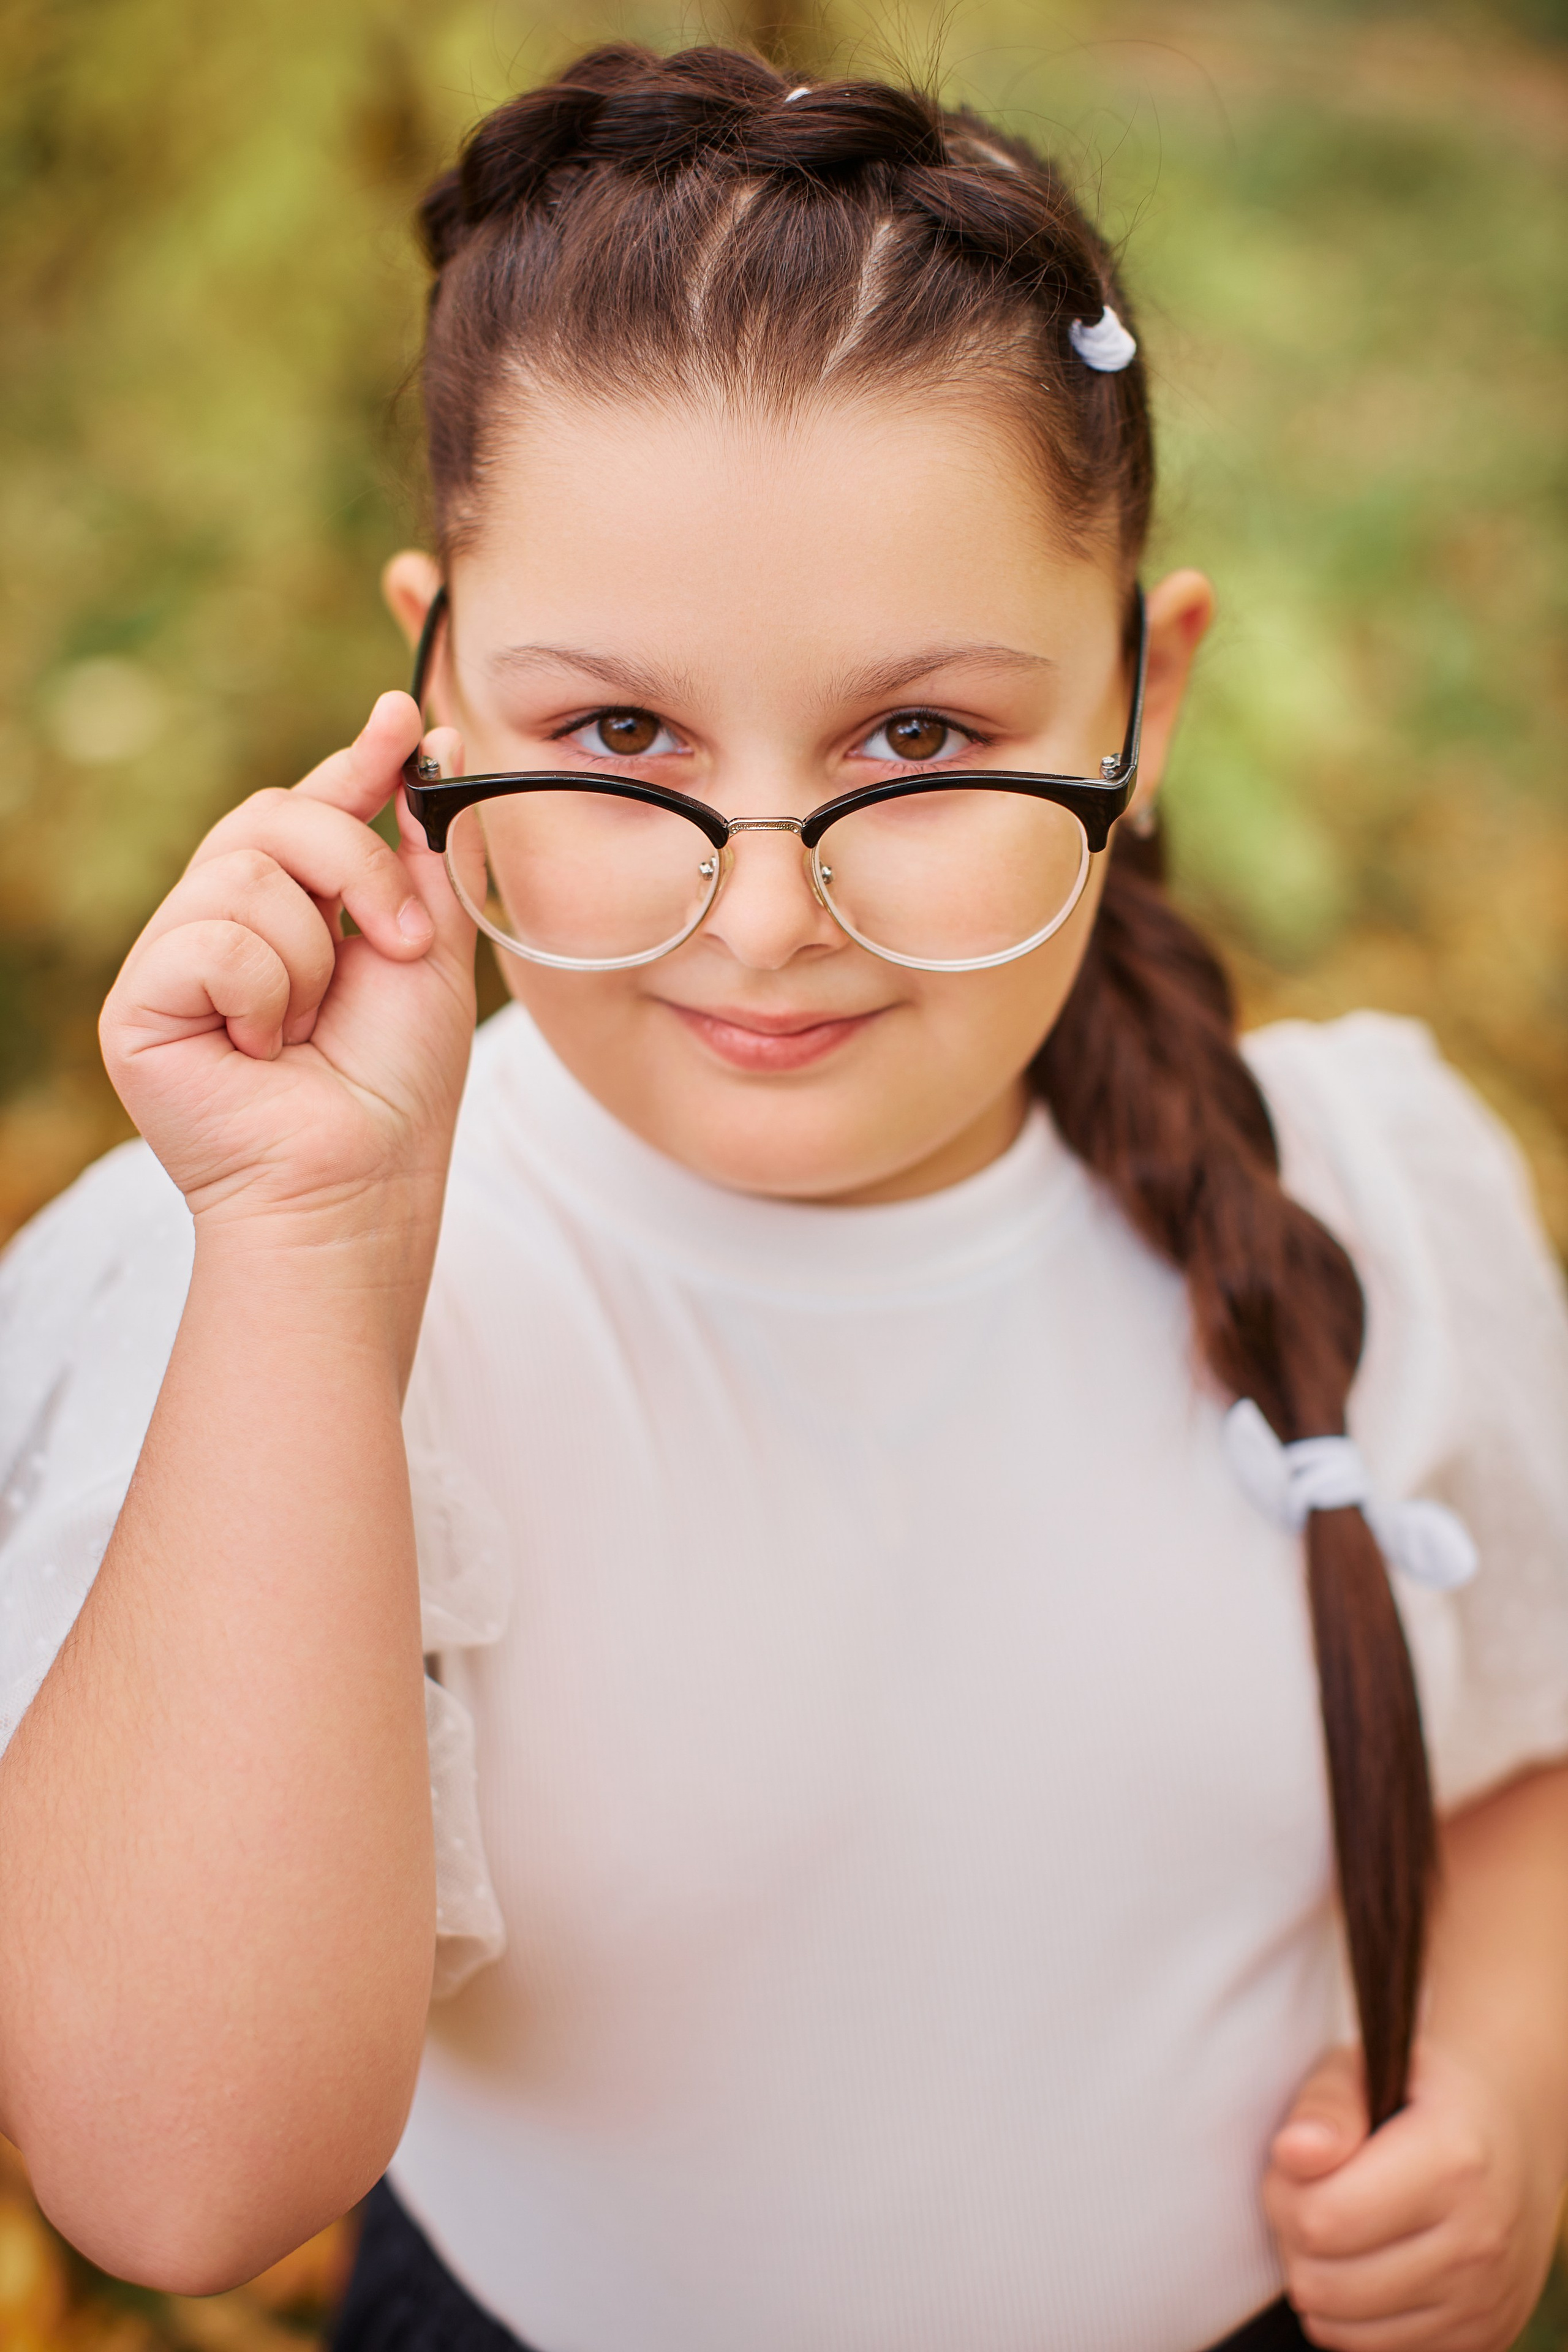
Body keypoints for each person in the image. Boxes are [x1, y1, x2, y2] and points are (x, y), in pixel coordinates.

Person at [1, 40, 1566, 2352]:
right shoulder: (259, 1286)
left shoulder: (1372, 1189)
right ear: (433, 692)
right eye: (624, 738)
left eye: (916, 741)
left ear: (1145, 700)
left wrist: (1507, 2091)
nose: (761, 918)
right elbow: (176, 2177)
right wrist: (311, 1267)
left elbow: (1518, 1759)